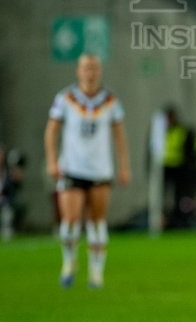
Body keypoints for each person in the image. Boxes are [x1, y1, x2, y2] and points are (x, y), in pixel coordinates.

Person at [44, 53, 131, 288]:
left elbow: (119, 136)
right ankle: (69, 262)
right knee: (70, 221)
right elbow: (51, 130)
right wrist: (52, 160)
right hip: (72, 167)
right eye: (85, 68)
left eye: (93, 68)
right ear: (78, 71)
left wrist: (124, 166)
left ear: (99, 71)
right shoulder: (65, 98)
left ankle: (96, 272)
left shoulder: (110, 101)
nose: (89, 72)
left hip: (100, 170)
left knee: (97, 221)